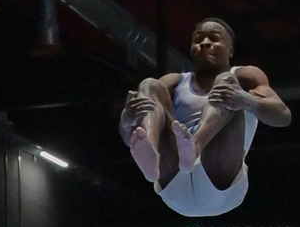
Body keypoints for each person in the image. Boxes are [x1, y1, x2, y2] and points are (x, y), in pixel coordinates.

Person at [119, 17, 290, 216]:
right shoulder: (174, 82)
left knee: (226, 80)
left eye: (214, 39)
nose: (205, 43)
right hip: (175, 179)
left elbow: (283, 116)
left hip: (220, 182)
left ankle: (196, 144)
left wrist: (245, 100)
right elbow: (130, 138)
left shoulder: (246, 76)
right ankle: (153, 159)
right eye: (198, 39)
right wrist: (127, 121)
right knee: (150, 85)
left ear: (231, 50)